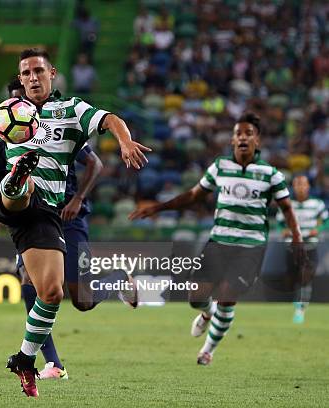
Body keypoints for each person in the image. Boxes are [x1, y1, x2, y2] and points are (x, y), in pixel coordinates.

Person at [0, 48, 150, 397]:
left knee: (55, 294)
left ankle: (25, 360)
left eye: (38, 71)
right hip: (12, 202)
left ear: (52, 73)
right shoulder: (8, 112)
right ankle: (19, 176)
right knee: (19, 192)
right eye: (25, 73)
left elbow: (110, 119)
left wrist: (124, 139)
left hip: (47, 215)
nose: (32, 78)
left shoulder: (71, 110)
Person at [0, 79, 137, 381]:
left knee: (80, 298)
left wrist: (79, 198)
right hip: (31, 218)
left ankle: (118, 278)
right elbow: (3, 178)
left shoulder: (52, 129)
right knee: (30, 281)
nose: (23, 108)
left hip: (67, 214)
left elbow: (94, 164)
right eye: (16, 101)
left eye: (25, 101)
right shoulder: (1, 138)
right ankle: (53, 363)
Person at [129, 112, 303, 365]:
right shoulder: (220, 167)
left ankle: (208, 349)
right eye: (238, 134)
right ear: (232, 140)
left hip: (250, 247)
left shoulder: (270, 174)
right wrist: (158, 207)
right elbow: (193, 196)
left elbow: (286, 208)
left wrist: (297, 236)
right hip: (219, 242)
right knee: (196, 297)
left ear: (258, 141)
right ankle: (207, 314)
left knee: (226, 295)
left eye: (248, 134)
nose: (243, 137)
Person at [277, 175, 328, 323]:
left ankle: (301, 308)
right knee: (293, 277)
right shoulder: (287, 205)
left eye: (303, 184)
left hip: (310, 246)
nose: (300, 187)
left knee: (306, 277)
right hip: (292, 247)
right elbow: (280, 224)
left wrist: (318, 229)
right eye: (297, 185)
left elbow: (326, 221)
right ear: (293, 187)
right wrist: (283, 230)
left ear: (308, 187)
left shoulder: (316, 204)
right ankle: (296, 302)